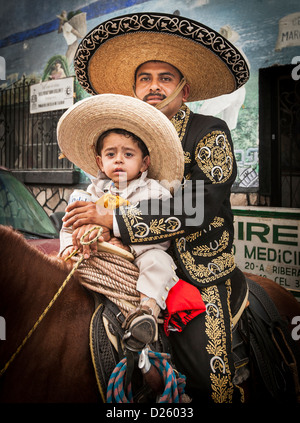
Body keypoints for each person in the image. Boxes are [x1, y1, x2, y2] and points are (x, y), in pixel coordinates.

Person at [64, 12, 250, 403]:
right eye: (145, 79)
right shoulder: (124, 138)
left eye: (165, 78)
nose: (153, 87)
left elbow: (199, 207)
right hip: (126, 263)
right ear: (134, 91)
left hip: (199, 270)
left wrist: (111, 218)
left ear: (184, 90)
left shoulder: (210, 131)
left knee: (204, 373)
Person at [57, 93, 185, 351]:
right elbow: (69, 222)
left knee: (159, 262)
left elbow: (161, 234)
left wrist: (120, 237)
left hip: (140, 254)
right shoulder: (90, 193)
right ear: (99, 162)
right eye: (111, 154)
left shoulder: (154, 192)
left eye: (128, 154)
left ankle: (147, 309)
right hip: (98, 256)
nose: (118, 160)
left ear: (144, 162)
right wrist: (70, 244)